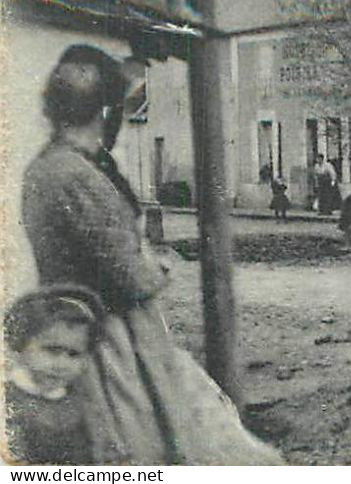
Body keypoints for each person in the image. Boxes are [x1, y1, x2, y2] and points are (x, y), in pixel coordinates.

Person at [21, 44, 281, 464]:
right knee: (150, 439)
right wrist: (159, 266)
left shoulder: (43, 168)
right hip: (112, 338)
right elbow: (127, 273)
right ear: (103, 113)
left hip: (70, 327)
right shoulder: (76, 176)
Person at [5, 287, 100, 465]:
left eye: (73, 354)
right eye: (52, 350)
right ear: (20, 344)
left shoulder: (76, 401)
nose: (61, 365)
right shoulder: (9, 400)